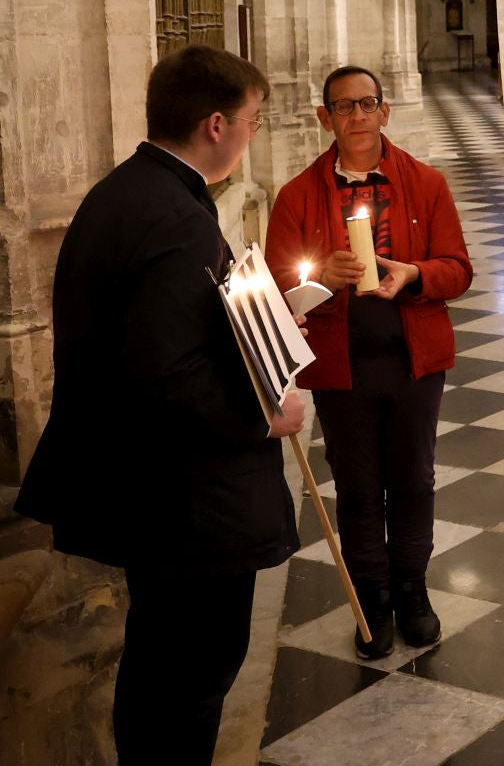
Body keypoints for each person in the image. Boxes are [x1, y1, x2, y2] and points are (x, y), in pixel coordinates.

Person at [18, 46, 302, 765]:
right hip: (184, 503)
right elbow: (171, 377)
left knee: (159, 666)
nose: (253, 134)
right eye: (253, 120)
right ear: (215, 124)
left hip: (147, 491)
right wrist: (268, 415)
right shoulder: (174, 216)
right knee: (190, 676)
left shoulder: (126, 192)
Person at [264, 65, 471, 659]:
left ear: (385, 111)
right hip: (342, 364)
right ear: (323, 118)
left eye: (367, 104)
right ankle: (371, 597)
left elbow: (458, 268)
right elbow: (277, 285)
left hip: (413, 360)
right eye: (343, 107)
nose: (357, 116)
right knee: (357, 488)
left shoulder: (426, 184)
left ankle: (412, 589)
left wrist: (414, 275)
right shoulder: (298, 195)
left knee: (413, 480)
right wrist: (320, 278)